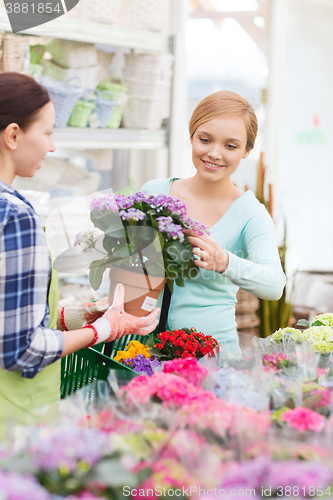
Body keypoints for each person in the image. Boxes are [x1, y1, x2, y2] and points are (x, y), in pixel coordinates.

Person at [0, 72, 159, 436]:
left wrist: (70, 315)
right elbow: (20, 351)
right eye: (48, 132)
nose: (51, 147)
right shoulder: (16, 217)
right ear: (13, 135)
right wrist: (103, 328)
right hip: (11, 420)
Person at [142, 91, 286, 355]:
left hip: (211, 359)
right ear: (192, 135)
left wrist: (224, 261)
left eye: (230, 146)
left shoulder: (251, 214)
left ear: (247, 151)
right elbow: (123, 267)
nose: (214, 153)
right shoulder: (155, 193)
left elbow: (274, 284)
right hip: (141, 352)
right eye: (205, 139)